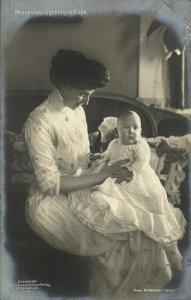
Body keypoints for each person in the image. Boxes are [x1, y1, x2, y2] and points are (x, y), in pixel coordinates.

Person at [22, 50, 185, 299]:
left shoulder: (76, 110)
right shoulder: (39, 122)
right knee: (123, 234)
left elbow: (82, 158)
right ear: (64, 85)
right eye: (83, 93)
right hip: (49, 202)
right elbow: (50, 184)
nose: (87, 101)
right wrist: (102, 175)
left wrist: (102, 162)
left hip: (84, 185)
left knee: (141, 224)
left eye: (90, 94)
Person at [69, 111, 186, 246]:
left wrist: (130, 172)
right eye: (126, 128)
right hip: (113, 174)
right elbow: (108, 155)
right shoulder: (114, 143)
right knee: (99, 191)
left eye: (135, 128)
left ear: (140, 130)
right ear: (117, 131)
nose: (131, 131)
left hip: (135, 178)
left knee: (131, 203)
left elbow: (141, 163)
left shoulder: (140, 145)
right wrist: (99, 156)